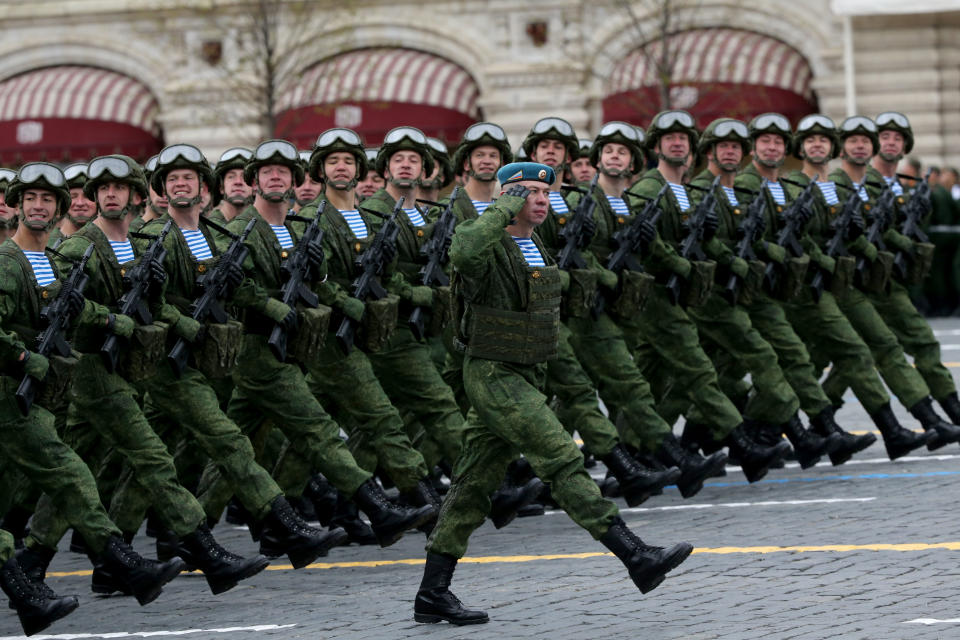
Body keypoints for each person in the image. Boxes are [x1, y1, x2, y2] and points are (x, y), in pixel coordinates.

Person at [413, 162, 693, 625]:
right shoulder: (483, 236)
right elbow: (461, 254)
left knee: (472, 487)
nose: (542, 200)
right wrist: (503, 205)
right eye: (530, 193)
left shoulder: (535, 243)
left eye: (547, 193)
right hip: (493, 374)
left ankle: (432, 593)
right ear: (508, 198)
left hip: (525, 373)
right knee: (561, 457)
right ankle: (634, 555)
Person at [0, 162, 184, 608]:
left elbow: (71, 307)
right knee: (72, 475)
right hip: (10, 395)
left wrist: (112, 319)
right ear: (18, 207)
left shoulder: (45, 259)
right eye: (30, 200)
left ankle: (30, 592)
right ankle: (122, 567)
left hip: (32, 397)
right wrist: (24, 356)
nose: (38, 207)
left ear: (59, 206)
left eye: (47, 200)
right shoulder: (8, 263)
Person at [624, 110, 789, 482]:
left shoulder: (684, 190)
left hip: (681, 295)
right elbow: (643, 241)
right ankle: (742, 444)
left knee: (652, 376)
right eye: (670, 139)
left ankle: (635, 454)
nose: (678, 143)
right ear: (656, 146)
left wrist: (723, 257)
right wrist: (680, 264)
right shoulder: (650, 189)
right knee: (696, 371)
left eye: (683, 138)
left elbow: (698, 239)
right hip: (656, 295)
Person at [783, 115, 934, 459]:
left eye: (824, 140)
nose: (818, 145)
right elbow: (796, 239)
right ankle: (759, 431)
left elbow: (857, 234)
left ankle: (898, 427)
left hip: (840, 283)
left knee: (859, 350)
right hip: (808, 286)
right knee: (799, 358)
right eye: (811, 140)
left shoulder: (835, 189)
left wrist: (895, 248)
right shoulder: (794, 187)